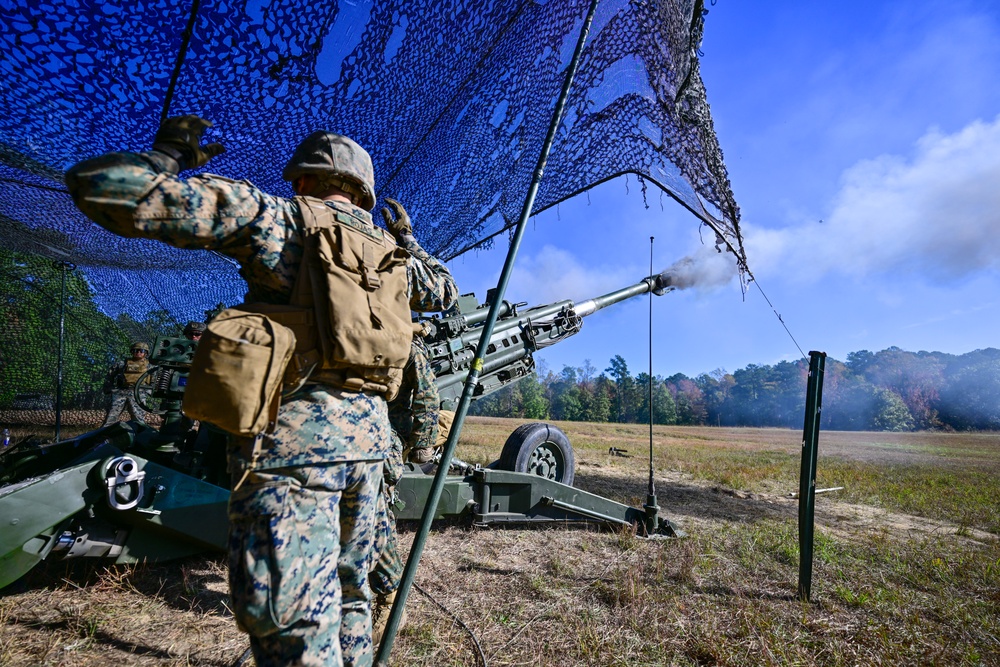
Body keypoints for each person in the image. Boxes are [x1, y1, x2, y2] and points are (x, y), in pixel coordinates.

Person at [65, 115, 457, 667]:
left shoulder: (282, 220)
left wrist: (169, 158)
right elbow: (445, 288)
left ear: (301, 180)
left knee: (292, 618)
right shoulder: (396, 258)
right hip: (370, 448)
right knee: (351, 596)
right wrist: (409, 239)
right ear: (363, 193)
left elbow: (102, 186)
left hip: (292, 446)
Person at [369, 331, 440, 644]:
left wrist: (421, 445)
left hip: (385, 435)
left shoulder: (404, 342)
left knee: (374, 513)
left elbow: (427, 396)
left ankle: (389, 596)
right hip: (345, 430)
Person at [102, 341, 151, 425]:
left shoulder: (149, 366)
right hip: (121, 392)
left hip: (138, 394)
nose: (138, 353)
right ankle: (104, 436)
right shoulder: (122, 364)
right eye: (136, 350)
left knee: (138, 420)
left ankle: (138, 437)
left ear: (146, 353)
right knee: (110, 418)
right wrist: (109, 389)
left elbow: (155, 379)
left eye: (141, 351)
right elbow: (110, 375)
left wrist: (149, 391)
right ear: (132, 351)